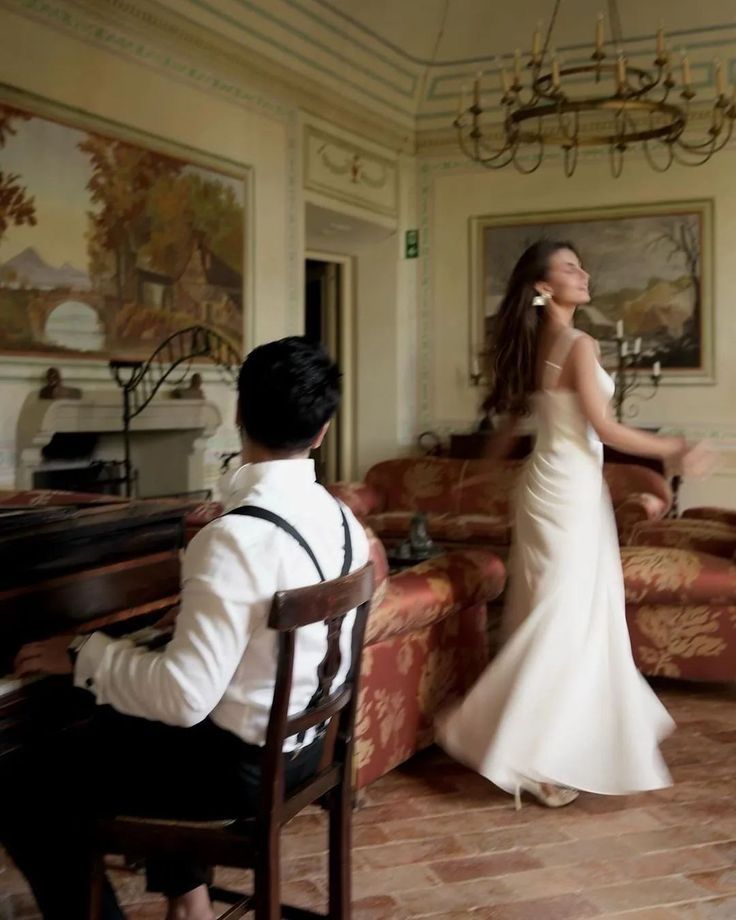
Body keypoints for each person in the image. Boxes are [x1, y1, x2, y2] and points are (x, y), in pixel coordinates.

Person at [2, 336, 369, 920]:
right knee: (121, 718)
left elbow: (182, 699)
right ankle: (190, 900)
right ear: (322, 430)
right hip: (307, 753)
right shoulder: (342, 518)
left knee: (25, 784)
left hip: (242, 773)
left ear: (238, 413)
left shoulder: (232, 537)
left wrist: (80, 655)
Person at [436, 240, 713, 809]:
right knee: (566, 617)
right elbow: (606, 430)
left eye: (581, 264)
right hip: (568, 489)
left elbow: (518, 424)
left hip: (549, 487)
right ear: (543, 288)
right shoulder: (579, 344)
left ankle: (540, 742)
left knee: (559, 612)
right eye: (569, 267)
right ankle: (514, 746)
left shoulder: (534, 344)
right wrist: (675, 447)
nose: (584, 273)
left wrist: (489, 468)